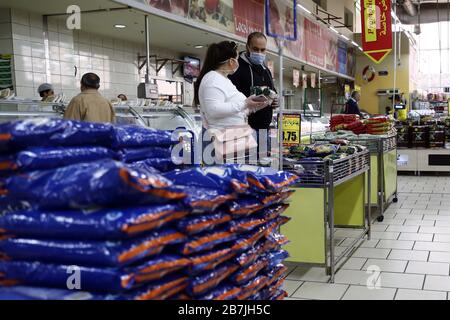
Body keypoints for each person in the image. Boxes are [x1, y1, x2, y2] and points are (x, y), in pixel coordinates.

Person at [194, 41, 269, 162]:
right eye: (237, 58)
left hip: (231, 140)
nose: (238, 62)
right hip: (218, 141)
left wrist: (254, 106)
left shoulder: (224, 80)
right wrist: (245, 103)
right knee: (221, 178)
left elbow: (234, 110)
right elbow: (213, 110)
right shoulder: (213, 79)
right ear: (231, 61)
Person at [229, 32, 278, 132]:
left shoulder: (266, 69)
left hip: (265, 128)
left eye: (262, 50)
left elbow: (273, 90)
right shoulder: (237, 68)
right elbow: (231, 98)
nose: (259, 53)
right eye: (255, 49)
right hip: (245, 128)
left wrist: (275, 100)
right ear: (248, 47)